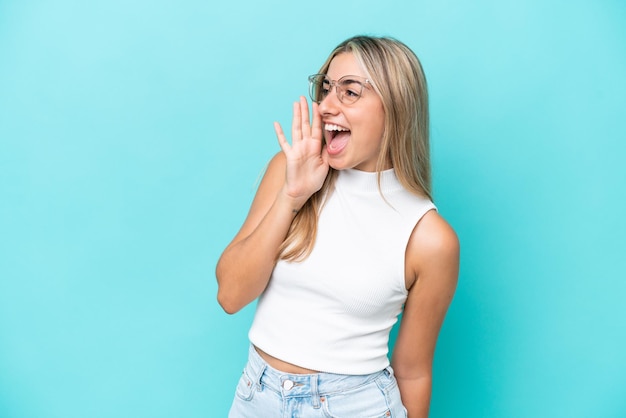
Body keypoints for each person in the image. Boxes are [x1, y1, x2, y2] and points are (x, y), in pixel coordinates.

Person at [216, 35, 459, 417]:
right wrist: (291, 198)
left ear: (396, 107)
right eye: (326, 89)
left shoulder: (429, 238)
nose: (326, 106)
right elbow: (230, 295)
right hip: (256, 397)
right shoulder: (289, 173)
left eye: (349, 92)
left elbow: (413, 372)